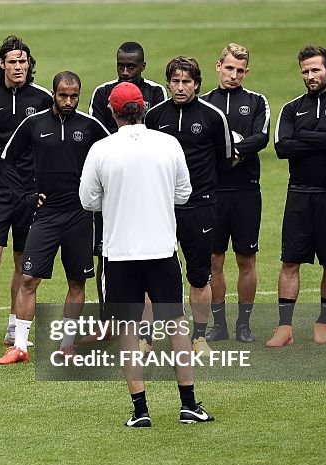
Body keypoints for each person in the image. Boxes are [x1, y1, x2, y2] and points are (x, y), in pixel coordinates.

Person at [80, 81, 213, 427]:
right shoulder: (168, 144)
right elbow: (183, 194)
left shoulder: (101, 149)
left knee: (127, 329)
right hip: (161, 249)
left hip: (120, 253)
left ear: (112, 112)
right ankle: (188, 406)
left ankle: (140, 411)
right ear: (143, 109)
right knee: (176, 326)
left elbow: (87, 200)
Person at [0, 71, 108, 365]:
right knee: (29, 278)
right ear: (53, 94)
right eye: (63, 96)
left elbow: (113, 160)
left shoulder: (91, 126)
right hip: (45, 215)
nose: (68, 101)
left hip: (81, 216)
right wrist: (25, 195)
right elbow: (6, 161)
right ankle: (19, 346)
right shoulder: (34, 124)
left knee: (77, 281)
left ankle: (67, 345)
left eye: (74, 96)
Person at [0, 35, 53, 352]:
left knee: (23, 262)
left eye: (23, 61)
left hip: (31, 193)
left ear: (29, 65)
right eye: (12, 61)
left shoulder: (44, 99)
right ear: (1, 64)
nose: (18, 66)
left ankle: (15, 327)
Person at [145, 56, 233, 354]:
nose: (180, 87)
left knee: (199, 274)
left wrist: (204, 193)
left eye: (186, 82)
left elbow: (224, 161)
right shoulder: (155, 116)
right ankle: (148, 337)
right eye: (175, 81)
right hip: (162, 208)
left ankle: (199, 337)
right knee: (153, 274)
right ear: (168, 82)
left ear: (196, 84)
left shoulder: (212, 116)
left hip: (200, 208)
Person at [268, 45, 326, 348]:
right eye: (305, 71)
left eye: (315, 69)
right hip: (298, 193)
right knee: (290, 260)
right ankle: (284, 327)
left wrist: (304, 136)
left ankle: (323, 323)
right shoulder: (291, 108)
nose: (310, 76)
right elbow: (282, 148)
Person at [85, 41, 168, 314]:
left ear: (143, 66)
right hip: (114, 185)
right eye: (120, 65)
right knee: (105, 254)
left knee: (148, 254)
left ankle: (147, 323)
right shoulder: (102, 93)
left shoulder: (156, 92)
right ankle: (107, 318)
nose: (125, 71)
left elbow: (158, 134)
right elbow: (94, 133)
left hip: (147, 186)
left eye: (131, 66)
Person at [200, 43, 270, 344]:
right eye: (229, 68)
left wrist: (232, 150)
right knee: (214, 260)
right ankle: (220, 324)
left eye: (240, 70)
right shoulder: (204, 103)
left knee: (246, 259)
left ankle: (244, 323)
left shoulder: (256, 101)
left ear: (247, 72)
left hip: (245, 192)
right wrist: (226, 154)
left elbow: (262, 137)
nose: (234, 75)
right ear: (218, 66)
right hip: (213, 193)